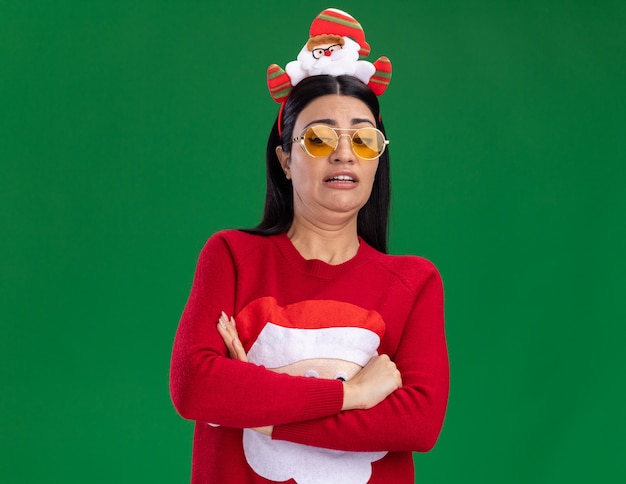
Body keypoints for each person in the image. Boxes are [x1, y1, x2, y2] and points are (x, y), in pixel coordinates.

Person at [170, 8, 449, 484]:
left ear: (378, 159)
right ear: (284, 158)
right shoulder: (231, 257)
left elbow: (417, 424)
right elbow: (195, 386)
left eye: (363, 139)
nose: (344, 152)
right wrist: (352, 394)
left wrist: (254, 406)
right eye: (319, 138)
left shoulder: (414, 282)